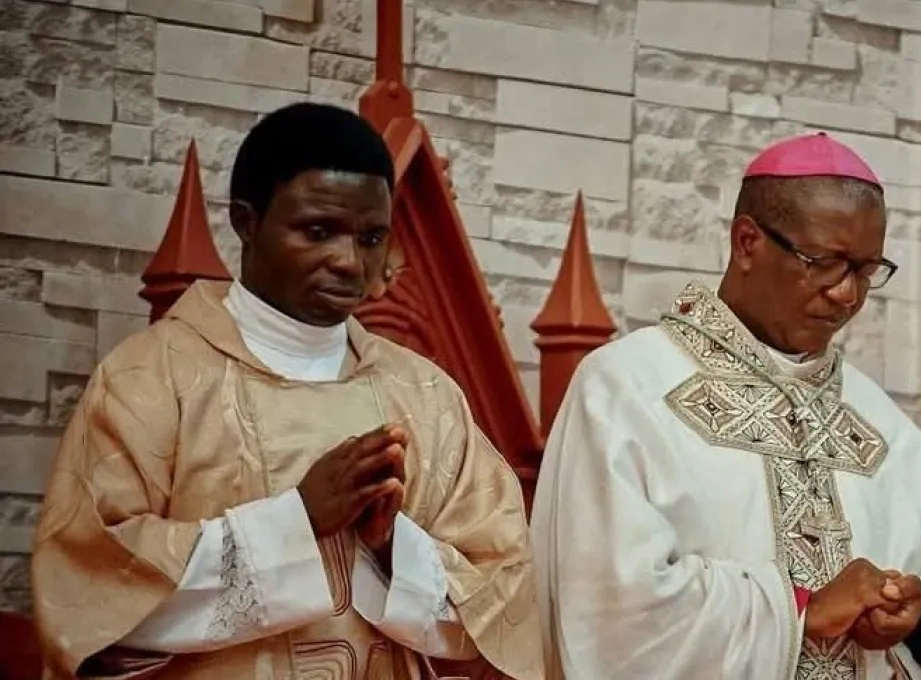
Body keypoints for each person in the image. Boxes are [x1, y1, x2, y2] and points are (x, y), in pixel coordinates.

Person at [31, 103, 542, 680]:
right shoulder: (151, 379)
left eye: (372, 237)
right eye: (318, 231)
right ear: (247, 221)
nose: (350, 262)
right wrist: (298, 521)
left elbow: (503, 595)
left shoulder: (427, 396)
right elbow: (91, 587)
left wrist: (390, 548)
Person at [531, 132, 921, 679]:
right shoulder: (625, 389)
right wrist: (800, 612)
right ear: (747, 242)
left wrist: (917, 620)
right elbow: (609, 609)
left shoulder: (881, 422)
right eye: (825, 263)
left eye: (867, 272)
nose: (848, 295)